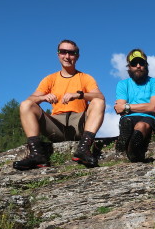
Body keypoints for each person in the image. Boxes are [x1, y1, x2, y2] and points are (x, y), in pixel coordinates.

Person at [13, 39, 106, 170]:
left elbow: (100, 97)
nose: (67, 56)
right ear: (58, 54)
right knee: (26, 105)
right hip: (56, 126)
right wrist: (43, 97)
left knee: (98, 102)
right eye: (63, 52)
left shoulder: (85, 78)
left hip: (79, 124)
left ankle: (83, 149)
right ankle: (36, 154)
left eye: (71, 53)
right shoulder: (50, 79)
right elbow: (30, 99)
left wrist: (79, 95)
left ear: (77, 56)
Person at [114, 49, 155, 162]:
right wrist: (147, 106)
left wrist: (127, 107)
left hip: (148, 118)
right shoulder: (122, 84)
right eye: (134, 63)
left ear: (146, 65)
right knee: (129, 121)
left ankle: (132, 149)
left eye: (141, 63)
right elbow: (118, 108)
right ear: (129, 67)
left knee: (141, 125)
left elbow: (153, 107)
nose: (138, 66)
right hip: (129, 117)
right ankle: (129, 142)